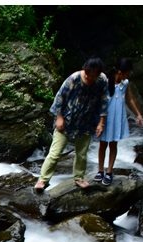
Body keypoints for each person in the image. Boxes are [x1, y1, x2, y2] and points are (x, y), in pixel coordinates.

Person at [34, 57, 110, 192]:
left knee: (81, 153)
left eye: (93, 76)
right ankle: (43, 180)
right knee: (55, 153)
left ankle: (79, 177)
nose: (90, 78)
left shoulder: (102, 80)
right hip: (67, 119)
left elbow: (104, 100)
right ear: (85, 71)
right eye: (88, 75)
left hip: (87, 121)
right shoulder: (73, 79)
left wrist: (101, 122)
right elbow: (59, 98)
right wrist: (59, 117)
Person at [94, 58, 143, 186]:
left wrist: (138, 114)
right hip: (106, 117)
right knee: (103, 144)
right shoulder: (106, 82)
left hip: (118, 117)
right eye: (127, 73)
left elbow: (130, 100)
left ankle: (109, 171)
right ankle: (100, 170)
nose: (128, 76)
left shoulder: (125, 83)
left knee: (113, 144)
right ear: (120, 72)